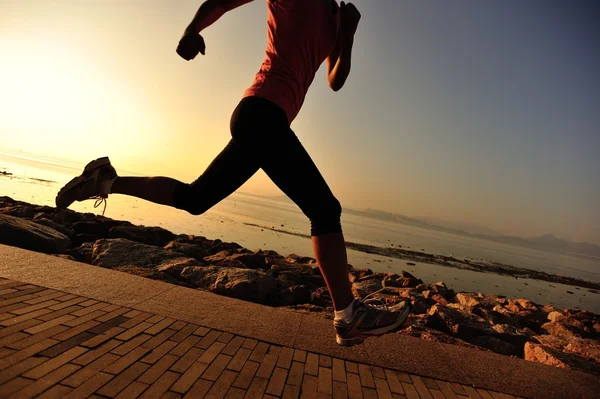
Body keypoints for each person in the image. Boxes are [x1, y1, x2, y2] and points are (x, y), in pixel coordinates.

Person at [56, 0, 410, 347]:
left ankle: (104, 180)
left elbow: (336, 80)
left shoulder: (336, 17)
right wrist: (192, 29)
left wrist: (347, 34)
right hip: (261, 112)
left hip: (267, 122)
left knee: (196, 199)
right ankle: (347, 315)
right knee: (324, 210)